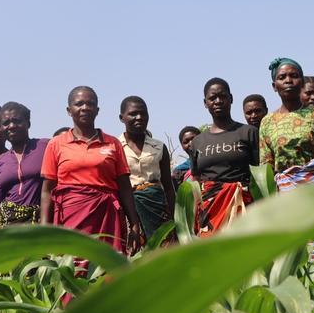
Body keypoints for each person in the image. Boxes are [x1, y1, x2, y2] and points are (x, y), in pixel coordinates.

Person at [40, 87, 144, 256]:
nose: (85, 107)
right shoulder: (56, 144)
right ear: (69, 110)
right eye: (79, 103)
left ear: (97, 110)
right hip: (71, 217)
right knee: (73, 266)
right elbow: (47, 190)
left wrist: (134, 223)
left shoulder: (113, 143)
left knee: (107, 268)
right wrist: (44, 227)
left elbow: (124, 186)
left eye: (90, 103)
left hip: (107, 217)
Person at [190, 78, 260, 234]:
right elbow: (196, 179)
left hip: (243, 206)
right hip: (210, 211)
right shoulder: (197, 142)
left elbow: (259, 173)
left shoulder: (248, 132)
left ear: (231, 98)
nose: (218, 101)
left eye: (222, 96)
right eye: (212, 98)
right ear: (205, 102)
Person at [260, 57, 314, 188]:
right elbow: (266, 165)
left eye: (294, 76)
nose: (288, 81)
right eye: (282, 77)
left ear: (302, 82)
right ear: (274, 86)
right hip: (285, 192)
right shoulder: (267, 122)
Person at [119, 97, 176, 239]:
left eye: (143, 113)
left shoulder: (159, 147)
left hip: (157, 209)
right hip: (127, 211)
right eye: (133, 114)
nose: (139, 117)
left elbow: (168, 186)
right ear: (122, 118)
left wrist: (176, 218)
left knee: (162, 250)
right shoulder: (114, 147)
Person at [0, 102, 49, 227]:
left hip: (38, 222)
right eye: (6, 123)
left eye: (16, 121)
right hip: (7, 224)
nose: (11, 126)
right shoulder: (1, 161)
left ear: (28, 123)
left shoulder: (45, 147)